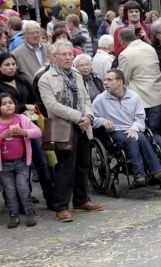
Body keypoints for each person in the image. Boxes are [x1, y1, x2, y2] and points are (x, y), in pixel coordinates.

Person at [37, 40, 103, 222]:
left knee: (83, 165)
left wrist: (88, 116)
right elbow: (51, 105)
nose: (68, 57)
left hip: (83, 126)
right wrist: (78, 117)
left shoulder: (77, 75)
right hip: (63, 127)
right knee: (65, 168)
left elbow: (86, 99)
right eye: (64, 54)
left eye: (70, 54)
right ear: (54, 57)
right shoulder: (46, 78)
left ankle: (81, 200)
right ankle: (61, 207)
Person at [91, 69, 161, 188]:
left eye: (109, 80)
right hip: (115, 131)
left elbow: (140, 117)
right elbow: (91, 117)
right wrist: (102, 121)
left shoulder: (134, 96)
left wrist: (134, 128)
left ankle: (156, 172)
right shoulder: (100, 99)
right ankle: (139, 174)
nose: (105, 83)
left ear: (120, 82)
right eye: (105, 80)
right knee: (133, 139)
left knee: (142, 138)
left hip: (133, 128)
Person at [0, 52, 55, 210]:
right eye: (7, 65)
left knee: (42, 162)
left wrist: (33, 108)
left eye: (13, 64)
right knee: (18, 166)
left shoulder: (22, 80)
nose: (11, 67)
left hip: (30, 125)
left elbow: (37, 100)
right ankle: (22, 202)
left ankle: (51, 198)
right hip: (10, 129)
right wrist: (24, 107)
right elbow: (4, 108)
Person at [117, 28, 161, 167]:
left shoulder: (126, 54)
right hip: (160, 94)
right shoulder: (149, 47)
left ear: (122, 41)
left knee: (148, 131)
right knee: (157, 130)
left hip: (145, 99)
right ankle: (160, 163)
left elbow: (122, 79)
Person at [0, 92, 41, 227]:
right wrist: (2, 136)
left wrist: (24, 132)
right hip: (4, 165)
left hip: (21, 162)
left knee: (23, 188)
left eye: (10, 103)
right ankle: (14, 215)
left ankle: (30, 213)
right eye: (4, 104)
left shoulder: (22, 119)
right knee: (9, 191)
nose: (8, 106)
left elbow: (38, 132)